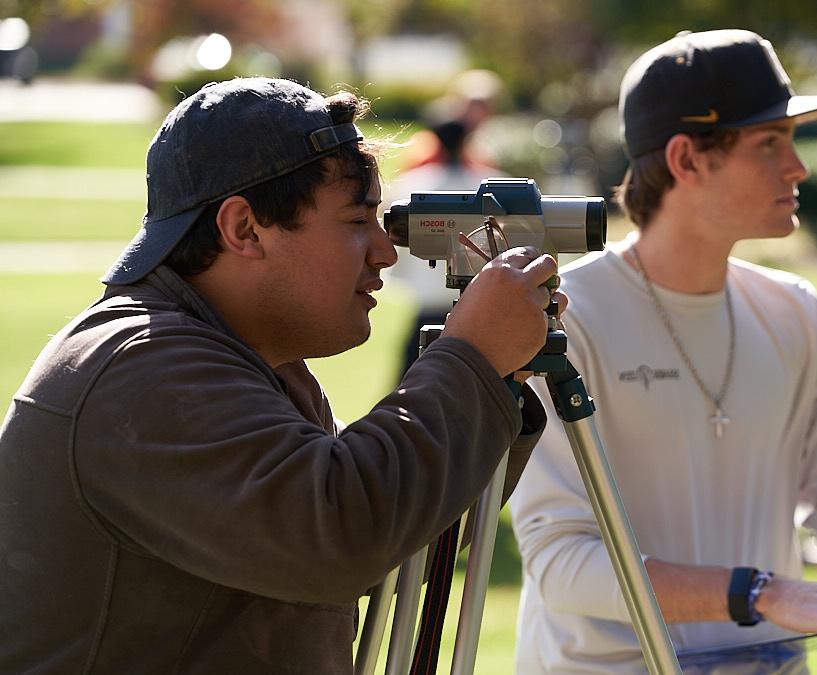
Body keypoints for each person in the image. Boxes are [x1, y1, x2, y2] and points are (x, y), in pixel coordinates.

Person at [0, 77, 564, 673]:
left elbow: (399, 536)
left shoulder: (246, 361)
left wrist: (498, 377)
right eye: (356, 221)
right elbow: (343, 534)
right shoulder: (141, 367)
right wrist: (471, 359)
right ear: (243, 228)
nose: (384, 252)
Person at [509, 30, 817, 674]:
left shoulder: (795, 311)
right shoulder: (564, 319)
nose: (798, 167)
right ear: (687, 159)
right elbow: (563, 563)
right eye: (768, 144)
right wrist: (766, 594)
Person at [389, 117, 505, 374]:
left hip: (428, 311)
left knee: (409, 391)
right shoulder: (494, 186)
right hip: (480, 307)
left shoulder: (412, 186)